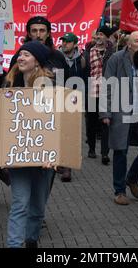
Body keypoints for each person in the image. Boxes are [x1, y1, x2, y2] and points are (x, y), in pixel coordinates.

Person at [3, 41, 55, 248]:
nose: (20, 58)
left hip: (43, 160)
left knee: (37, 208)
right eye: (19, 55)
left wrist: (53, 155)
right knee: (20, 204)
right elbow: (3, 123)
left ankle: (31, 240)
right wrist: (1, 154)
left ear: (37, 62)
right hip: (19, 158)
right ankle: (14, 245)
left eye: (26, 54)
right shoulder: (8, 85)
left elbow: (57, 124)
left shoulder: (50, 88)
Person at [99, 31, 138, 205]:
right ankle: (119, 191)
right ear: (129, 44)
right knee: (120, 150)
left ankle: (132, 178)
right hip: (121, 111)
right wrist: (105, 113)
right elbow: (107, 86)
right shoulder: (116, 59)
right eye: (137, 41)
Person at [57, 32, 86, 182]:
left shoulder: (81, 60)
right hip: (57, 99)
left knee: (70, 134)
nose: (64, 44)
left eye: (68, 42)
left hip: (74, 101)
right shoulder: (56, 57)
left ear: (75, 44)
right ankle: (59, 162)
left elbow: (85, 80)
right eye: (63, 41)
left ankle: (67, 167)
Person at [84, 27, 115, 164]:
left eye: (101, 34)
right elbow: (85, 70)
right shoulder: (89, 51)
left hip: (107, 92)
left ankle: (104, 153)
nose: (98, 36)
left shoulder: (112, 52)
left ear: (107, 37)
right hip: (92, 91)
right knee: (91, 121)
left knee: (105, 121)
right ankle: (91, 148)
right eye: (97, 34)